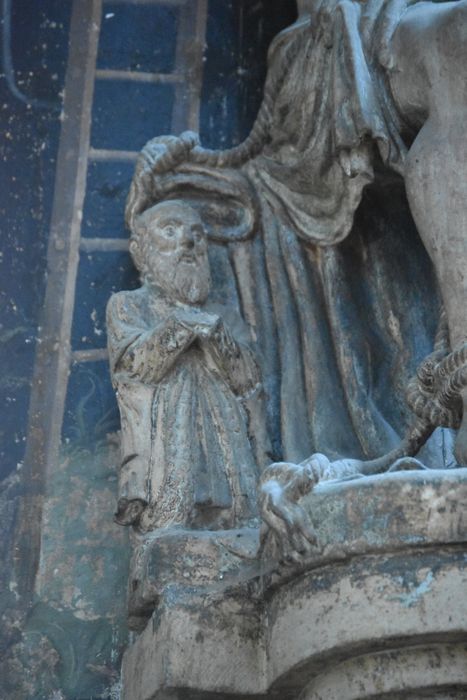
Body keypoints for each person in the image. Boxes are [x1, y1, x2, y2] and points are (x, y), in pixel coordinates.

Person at [106, 200, 262, 532]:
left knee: (240, 530)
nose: (188, 242)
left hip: (229, 452)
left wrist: (217, 336)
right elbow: (134, 368)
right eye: (170, 231)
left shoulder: (224, 316)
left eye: (197, 235)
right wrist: (181, 326)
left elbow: (248, 382)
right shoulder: (128, 305)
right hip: (167, 455)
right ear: (140, 252)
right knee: (171, 535)